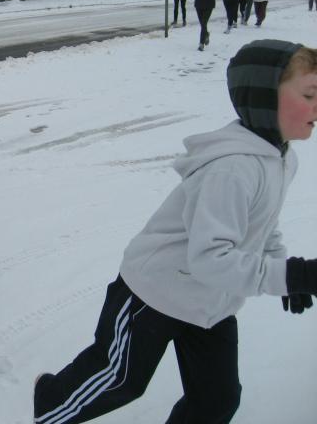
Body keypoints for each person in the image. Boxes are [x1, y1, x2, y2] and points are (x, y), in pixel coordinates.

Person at [34, 39, 317, 424]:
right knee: (117, 379)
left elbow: (263, 228)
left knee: (217, 399)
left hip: (211, 304)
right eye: (309, 94)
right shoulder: (232, 169)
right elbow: (210, 259)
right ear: (265, 100)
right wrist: (294, 275)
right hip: (156, 291)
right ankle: (49, 406)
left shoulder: (281, 159)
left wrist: (285, 274)